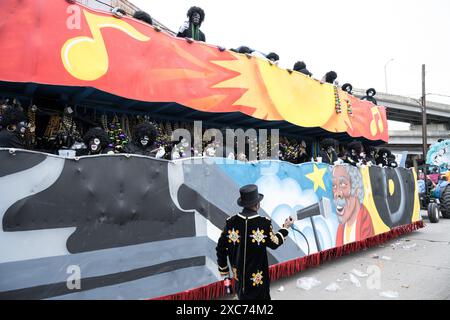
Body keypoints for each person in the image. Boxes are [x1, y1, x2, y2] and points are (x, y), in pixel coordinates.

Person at [216, 184, 293, 300]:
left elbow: (220, 249)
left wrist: (225, 273)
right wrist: (285, 228)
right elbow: (275, 242)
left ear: (243, 204)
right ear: (257, 204)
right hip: (258, 280)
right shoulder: (263, 223)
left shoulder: (231, 222)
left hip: (239, 280)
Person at [332, 165, 374, 246]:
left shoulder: (364, 220)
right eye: (334, 185)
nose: (337, 193)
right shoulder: (341, 228)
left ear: (356, 191)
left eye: (343, 184)